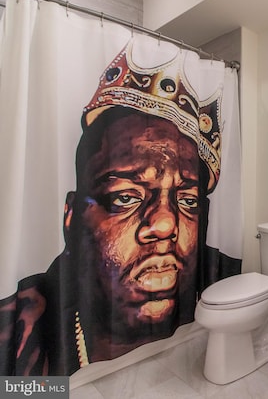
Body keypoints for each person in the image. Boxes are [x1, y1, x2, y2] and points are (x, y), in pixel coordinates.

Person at [0, 42, 241, 376]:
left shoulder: (219, 276)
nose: (165, 224)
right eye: (125, 197)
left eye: (188, 201)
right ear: (71, 216)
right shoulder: (18, 327)